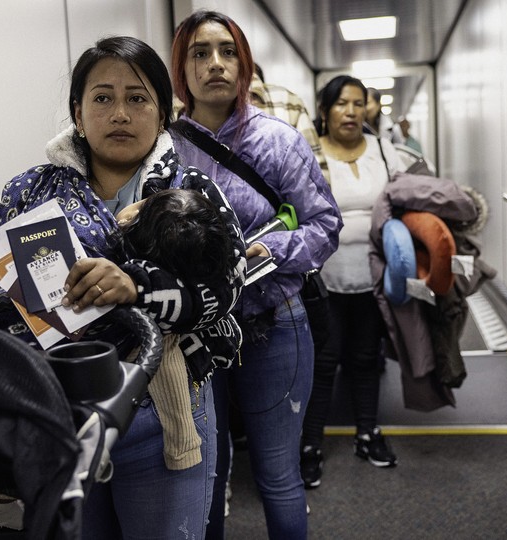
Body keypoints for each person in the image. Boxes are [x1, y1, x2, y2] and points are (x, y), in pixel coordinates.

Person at [0, 35, 245, 538]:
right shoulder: (30, 191)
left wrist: (136, 286)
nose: (119, 113)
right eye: (102, 98)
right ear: (78, 112)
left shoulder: (191, 190)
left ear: (162, 113)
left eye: (137, 99)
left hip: (158, 414)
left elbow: (226, 288)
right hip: (59, 416)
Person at [169, 10, 342, 540]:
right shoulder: (163, 148)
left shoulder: (278, 142)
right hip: (193, 330)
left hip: (275, 320)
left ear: (244, 64)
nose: (215, 64)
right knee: (205, 474)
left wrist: (272, 248)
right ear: (181, 67)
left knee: (277, 474)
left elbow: (325, 224)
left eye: (228, 52)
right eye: (200, 53)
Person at [299, 75, 402, 490]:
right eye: (341, 103)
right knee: (323, 364)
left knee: (365, 358)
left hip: (373, 275)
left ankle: (367, 434)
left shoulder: (381, 148)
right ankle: (310, 447)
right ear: (324, 111)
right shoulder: (310, 152)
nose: (351, 111)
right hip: (324, 277)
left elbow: (406, 196)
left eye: (359, 103)